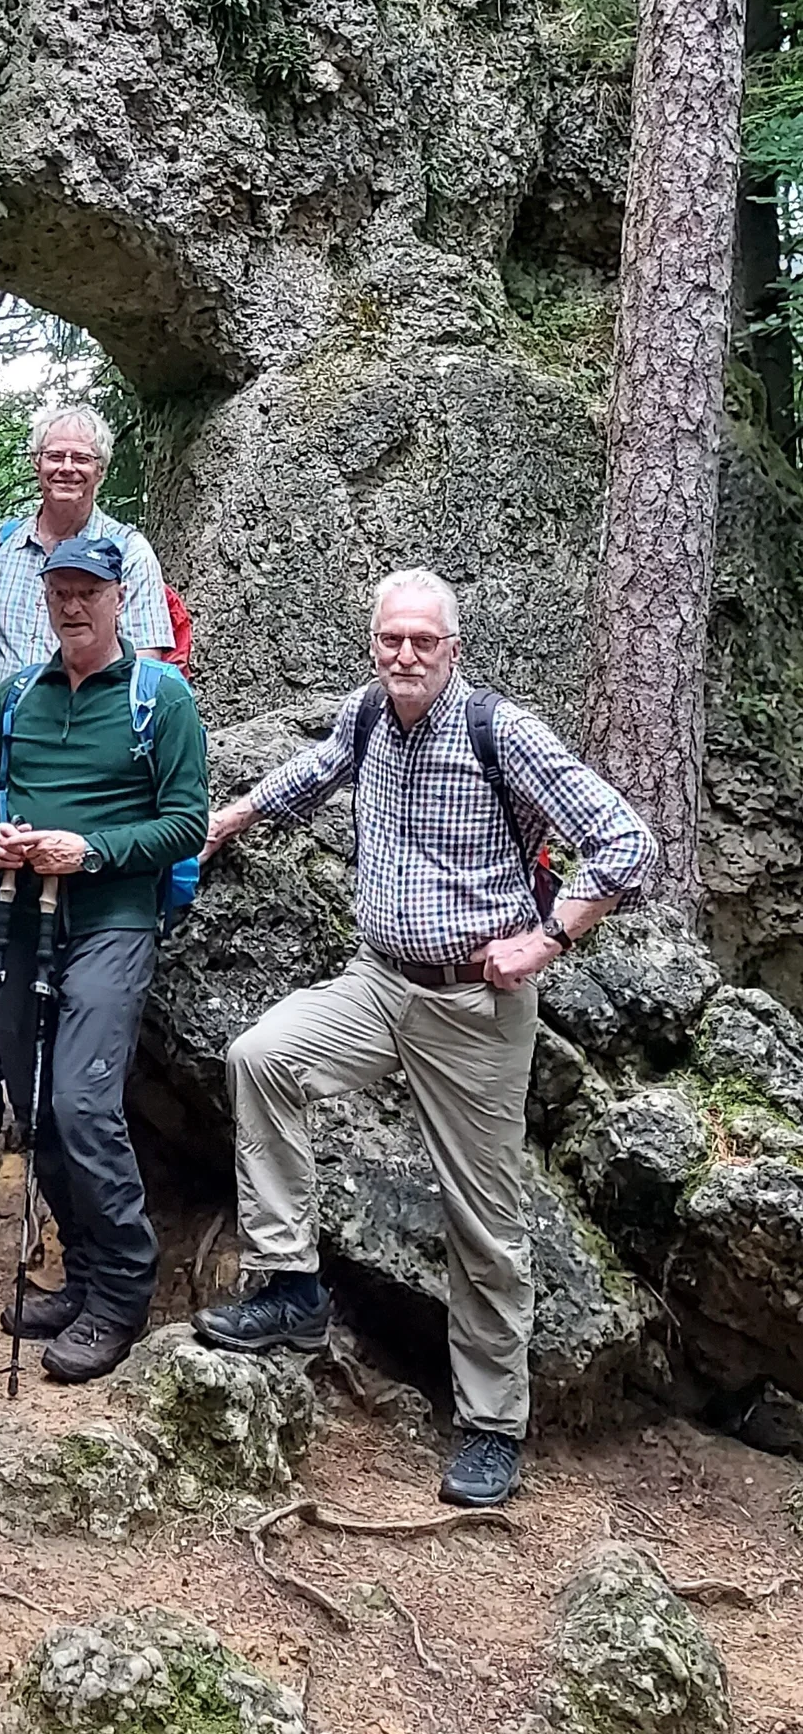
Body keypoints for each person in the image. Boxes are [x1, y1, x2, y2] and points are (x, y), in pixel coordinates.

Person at [192, 568, 657, 1507]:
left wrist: (550, 935)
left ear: (453, 648)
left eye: (423, 642)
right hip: (378, 981)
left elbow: (626, 841)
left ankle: (492, 1424)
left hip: (472, 1008)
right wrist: (232, 816)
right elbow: (319, 768)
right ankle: (290, 1287)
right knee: (263, 1056)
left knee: (482, 1218)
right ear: (373, 642)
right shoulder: (370, 714)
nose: (405, 655)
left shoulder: (501, 732)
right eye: (391, 639)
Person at [0, 405, 185, 1142]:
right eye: (54, 455)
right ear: (36, 464)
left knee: (56, 947)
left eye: (80, 458)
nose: (66, 468)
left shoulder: (128, 551)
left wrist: (102, 754)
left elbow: (150, 661)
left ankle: (48, 1104)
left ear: (100, 468)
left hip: (85, 774)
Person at [0, 536, 208, 1382]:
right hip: (22, 921)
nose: (72, 605)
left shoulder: (157, 698)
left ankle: (121, 1295)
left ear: (118, 598)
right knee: (30, 1101)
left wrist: (89, 850)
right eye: (59, 591)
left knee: (81, 1102)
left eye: (87, 592)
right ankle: (82, 1273)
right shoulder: (16, 696)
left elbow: (185, 824)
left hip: (111, 923)